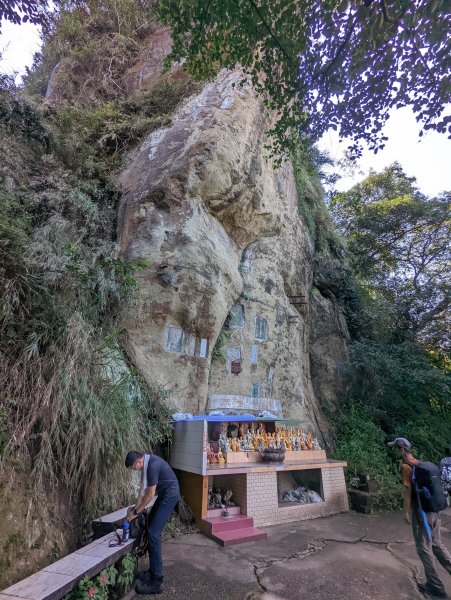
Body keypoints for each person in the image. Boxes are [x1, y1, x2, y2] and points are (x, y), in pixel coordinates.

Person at [388, 437, 451, 598]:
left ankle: (436, 587)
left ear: (402, 449)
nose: (395, 451)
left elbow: (408, 493)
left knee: (424, 549)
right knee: (437, 545)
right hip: (435, 511)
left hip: (422, 514)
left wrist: (406, 513)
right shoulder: (420, 463)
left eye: (396, 448)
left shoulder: (406, 466)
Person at [125, 450, 180, 595]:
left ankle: (157, 581)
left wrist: (136, 513)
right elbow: (142, 492)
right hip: (164, 494)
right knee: (150, 526)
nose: (134, 470)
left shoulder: (153, 465)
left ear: (138, 462)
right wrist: (134, 510)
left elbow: (149, 496)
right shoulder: (147, 465)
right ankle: (152, 571)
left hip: (170, 495)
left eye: (133, 467)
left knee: (154, 533)